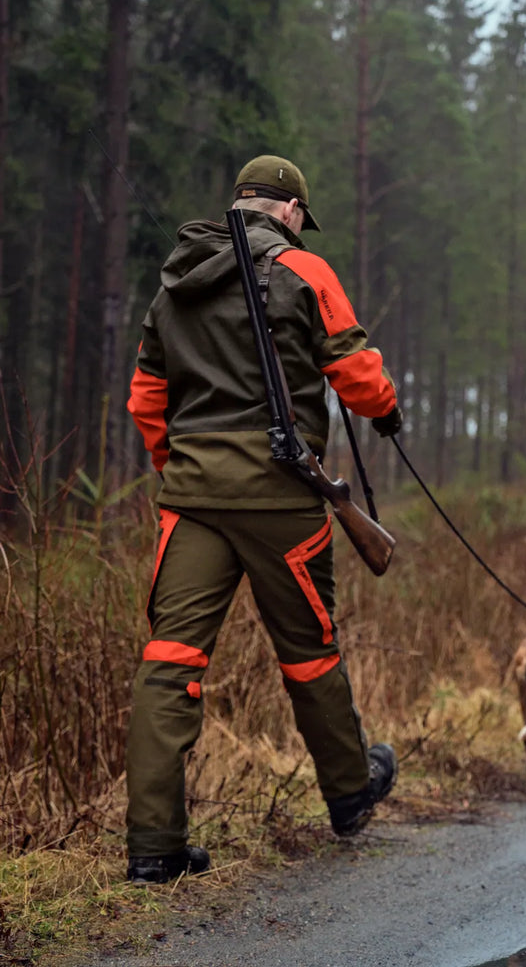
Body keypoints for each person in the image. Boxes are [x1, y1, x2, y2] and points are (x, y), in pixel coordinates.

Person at [124, 154, 403, 885]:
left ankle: (154, 846)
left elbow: (147, 402)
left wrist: (181, 470)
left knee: (169, 662)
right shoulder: (306, 272)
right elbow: (357, 374)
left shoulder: (173, 284)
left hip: (191, 498)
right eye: (298, 218)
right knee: (308, 651)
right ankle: (348, 794)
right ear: (287, 211)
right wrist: (389, 411)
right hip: (283, 498)